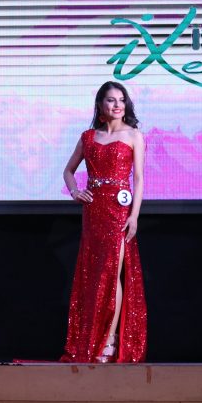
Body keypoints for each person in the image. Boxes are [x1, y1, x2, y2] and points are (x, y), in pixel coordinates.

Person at [60, 81, 147, 363]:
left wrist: (134, 215)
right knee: (94, 274)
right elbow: (68, 171)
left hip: (119, 211)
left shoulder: (134, 135)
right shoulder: (88, 137)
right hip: (93, 210)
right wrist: (75, 191)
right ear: (100, 105)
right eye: (111, 100)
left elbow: (139, 179)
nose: (117, 105)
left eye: (121, 100)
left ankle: (109, 340)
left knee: (111, 273)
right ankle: (93, 338)